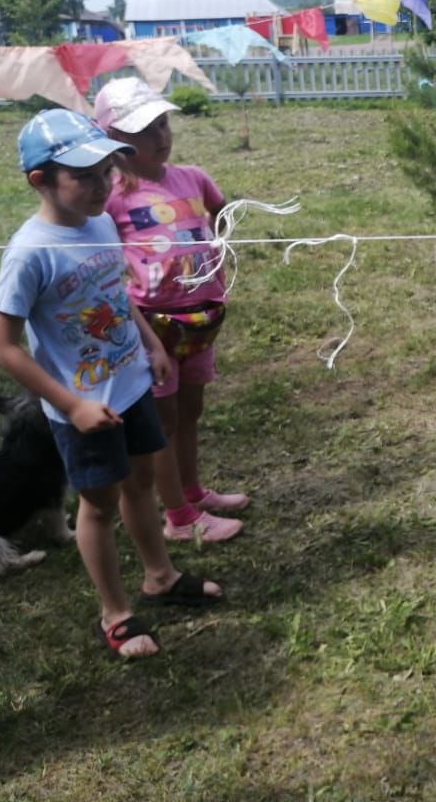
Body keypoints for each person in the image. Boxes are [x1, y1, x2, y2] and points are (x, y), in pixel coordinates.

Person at [0, 109, 223, 659]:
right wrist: (71, 405)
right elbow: (2, 346)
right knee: (98, 505)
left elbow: (116, 293)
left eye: (105, 172)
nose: (102, 186)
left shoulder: (98, 223)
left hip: (131, 384)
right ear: (40, 181)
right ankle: (115, 613)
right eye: (84, 176)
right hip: (85, 407)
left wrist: (151, 345)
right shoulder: (30, 253)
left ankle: (159, 577)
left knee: (140, 484)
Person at [95, 77, 248, 541]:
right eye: (145, 131)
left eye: (162, 124)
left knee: (190, 411)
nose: (160, 137)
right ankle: (178, 518)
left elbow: (221, 210)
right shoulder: (112, 197)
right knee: (161, 422)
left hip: (202, 317)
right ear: (114, 141)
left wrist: (216, 246)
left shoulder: (193, 177)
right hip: (153, 328)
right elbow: (104, 260)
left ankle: (191, 491)